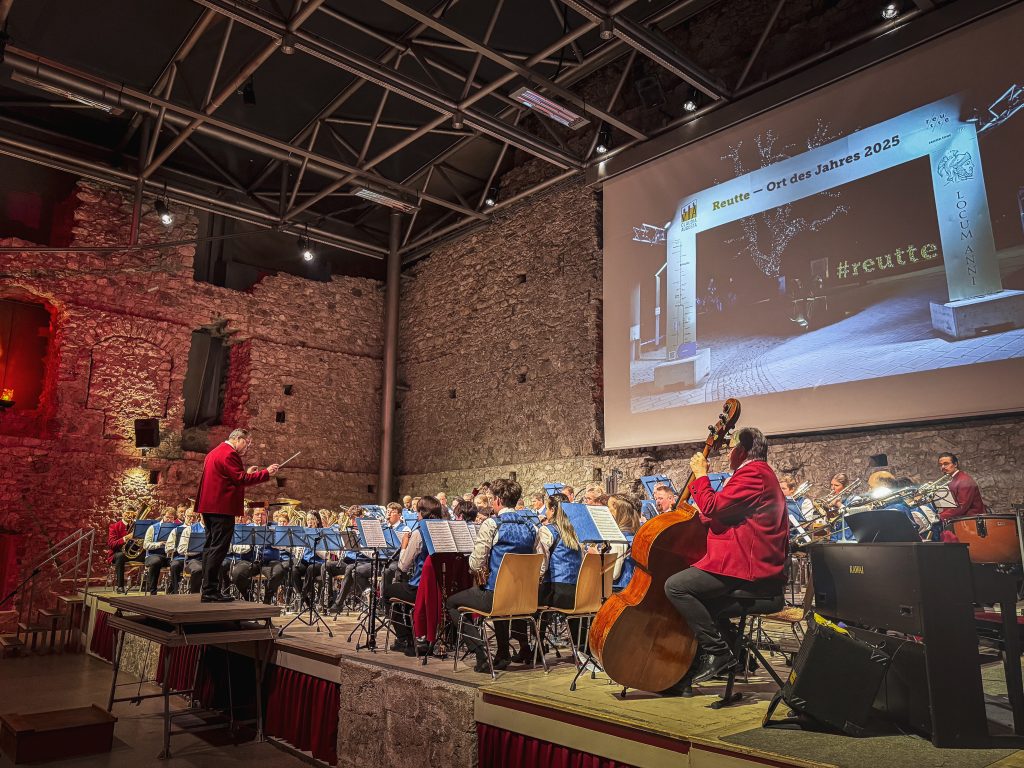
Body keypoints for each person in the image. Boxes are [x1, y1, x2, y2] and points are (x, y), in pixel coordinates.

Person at [664, 427, 788, 683]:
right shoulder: (759, 474)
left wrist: (701, 475)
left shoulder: (754, 473)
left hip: (749, 568)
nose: (727, 454)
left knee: (676, 587)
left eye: (730, 449)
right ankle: (737, 656)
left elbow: (712, 506)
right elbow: (727, 514)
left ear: (741, 451)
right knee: (703, 603)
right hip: (746, 563)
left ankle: (718, 653)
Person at [446, 478, 547, 672]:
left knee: (452, 603)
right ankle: (502, 653)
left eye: (492, 499)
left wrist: (482, 565)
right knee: (502, 600)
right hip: (524, 598)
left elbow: (475, 564)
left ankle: (481, 654)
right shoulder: (533, 527)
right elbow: (540, 565)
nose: (492, 502)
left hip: (497, 597)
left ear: (498, 500)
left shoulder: (492, 524)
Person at [193, 428, 279, 603]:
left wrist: (249, 474)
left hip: (209, 507)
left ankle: (208, 588)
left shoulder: (214, 452)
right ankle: (210, 591)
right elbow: (241, 480)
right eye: (247, 443)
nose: (247, 447)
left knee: (210, 548)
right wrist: (266, 473)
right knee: (218, 549)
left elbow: (228, 478)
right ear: (238, 439)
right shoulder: (230, 454)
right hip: (222, 508)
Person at [384, 496, 448, 653]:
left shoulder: (419, 532)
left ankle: (404, 638)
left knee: (387, 591)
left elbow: (403, 566)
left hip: (422, 588)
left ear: (422, 513)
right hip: (442, 588)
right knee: (402, 588)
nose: (416, 515)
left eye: (418, 512)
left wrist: (404, 546)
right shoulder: (445, 530)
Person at [537, 493, 587, 658]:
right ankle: (581, 648)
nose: (546, 513)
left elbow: (541, 564)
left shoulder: (547, 530)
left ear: (552, 510)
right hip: (577, 592)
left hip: (557, 592)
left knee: (529, 604)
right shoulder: (577, 531)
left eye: (547, 509)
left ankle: (537, 647)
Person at [607, 494, 642, 591]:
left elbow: (613, 574)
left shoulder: (619, 538)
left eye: (608, 507)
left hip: (619, 590)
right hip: (634, 586)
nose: (607, 511)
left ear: (616, 510)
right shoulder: (635, 534)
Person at [142, 506, 180, 595]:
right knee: (156, 562)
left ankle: (173, 590)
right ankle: (153, 591)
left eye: (172, 518)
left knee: (177, 564)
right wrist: (159, 544)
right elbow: (145, 545)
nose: (169, 520)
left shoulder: (177, 528)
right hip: (153, 555)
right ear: (163, 516)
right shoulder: (153, 528)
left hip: (170, 556)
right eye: (167, 517)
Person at [108, 505, 143, 593]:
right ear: (122, 513)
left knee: (149, 556)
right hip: (118, 552)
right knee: (120, 556)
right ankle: (120, 586)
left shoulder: (137, 526)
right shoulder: (114, 526)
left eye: (132, 513)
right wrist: (126, 538)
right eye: (127, 513)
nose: (130, 515)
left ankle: (145, 584)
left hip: (134, 553)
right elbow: (112, 544)